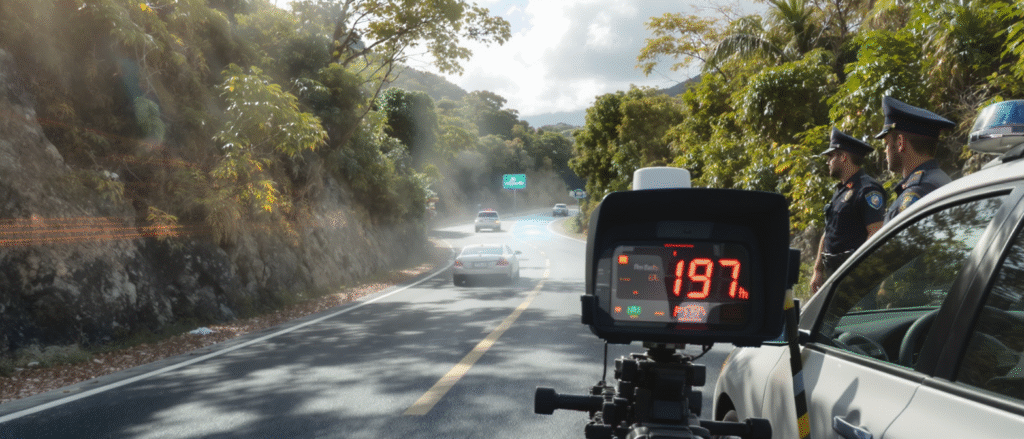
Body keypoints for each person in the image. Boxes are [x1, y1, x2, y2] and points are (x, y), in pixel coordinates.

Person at [810, 127, 886, 294]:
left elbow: (876, 235)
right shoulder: (841, 190)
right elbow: (828, 231)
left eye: (831, 156)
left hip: (854, 282)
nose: (827, 161)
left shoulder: (867, 189)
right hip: (834, 276)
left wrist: (857, 276)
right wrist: (818, 270)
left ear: (843, 157)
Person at [874, 96, 956, 223]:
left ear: (900, 143)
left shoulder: (916, 193)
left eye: (886, 143)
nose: (885, 150)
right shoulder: (939, 179)